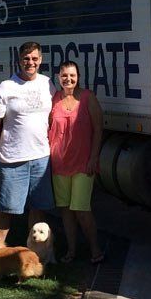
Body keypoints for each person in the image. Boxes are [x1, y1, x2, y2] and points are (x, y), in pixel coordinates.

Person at [0, 42, 56, 243]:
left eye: (34, 58)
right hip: (13, 159)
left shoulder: (47, 83)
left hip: (41, 157)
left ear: (40, 60)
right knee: (7, 208)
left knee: (38, 207)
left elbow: (52, 117)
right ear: (19, 60)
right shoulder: (7, 87)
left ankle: (34, 252)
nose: (30, 62)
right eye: (26, 58)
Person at [49, 60, 104, 264]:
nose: (68, 79)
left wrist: (94, 157)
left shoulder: (88, 98)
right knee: (65, 209)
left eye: (72, 75)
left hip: (83, 164)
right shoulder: (54, 99)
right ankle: (71, 251)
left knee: (81, 208)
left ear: (78, 76)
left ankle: (95, 250)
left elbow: (98, 129)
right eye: (64, 76)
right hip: (59, 164)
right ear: (58, 78)